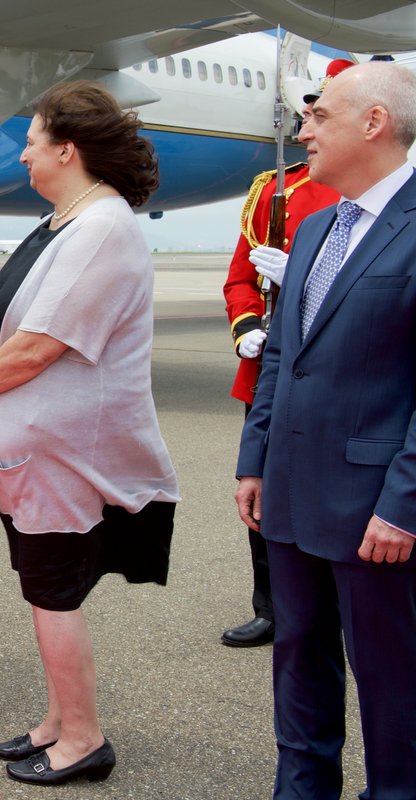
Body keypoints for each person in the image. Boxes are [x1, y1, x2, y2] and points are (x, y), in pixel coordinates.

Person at [0, 80, 180, 786]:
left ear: (67, 151)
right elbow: (3, 323)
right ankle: (58, 721)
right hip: (31, 452)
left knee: (53, 593)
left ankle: (84, 740)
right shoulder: (65, 222)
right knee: (43, 592)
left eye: (33, 144)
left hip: (65, 456)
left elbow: (39, 345)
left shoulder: (101, 227)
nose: (25, 158)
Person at [235, 61, 416, 799]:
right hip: (291, 495)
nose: (303, 129)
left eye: (320, 116)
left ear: (374, 122)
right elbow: (282, 354)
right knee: (297, 663)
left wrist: (405, 504)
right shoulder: (312, 227)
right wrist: (256, 459)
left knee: (393, 681)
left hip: (378, 508)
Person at [219, 63, 346, 648]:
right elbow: (241, 277)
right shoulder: (275, 189)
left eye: (318, 115)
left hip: (342, 368)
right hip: (270, 366)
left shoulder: (362, 191)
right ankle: (272, 604)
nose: (304, 129)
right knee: (263, 489)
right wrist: (246, 327)